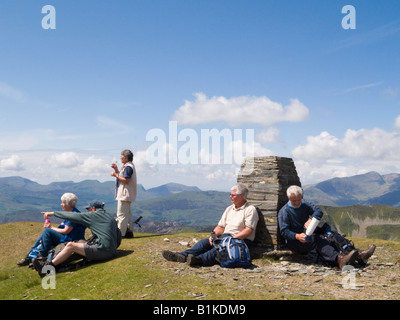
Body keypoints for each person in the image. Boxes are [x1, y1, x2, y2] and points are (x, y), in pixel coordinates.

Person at [278, 185, 376, 269]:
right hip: (295, 242)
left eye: (298, 199)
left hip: (308, 233)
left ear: (301, 197)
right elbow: (284, 231)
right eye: (293, 200)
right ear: (288, 198)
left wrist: (312, 218)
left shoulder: (304, 204)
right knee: (318, 239)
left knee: (332, 234)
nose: (296, 202)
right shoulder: (284, 212)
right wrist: (297, 236)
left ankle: (358, 255)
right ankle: (339, 260)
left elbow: (318, 211)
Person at [162, 184, 259, 267]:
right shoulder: (229, 209)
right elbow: (220, 227)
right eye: (230, 194)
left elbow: (249, 230)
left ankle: (198, 260)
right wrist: (213, 235)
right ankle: (182, 256)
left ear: (241, 196)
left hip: (240, 240)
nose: (230, 197)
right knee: (204, 243)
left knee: (220, 248)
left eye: (233, 195)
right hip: (225, 237)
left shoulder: (250, 210)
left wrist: (231, 239)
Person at [34, 200, 122, 276]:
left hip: (104, 251)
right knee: (81, 242)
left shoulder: (93, 215)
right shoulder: (110, 217)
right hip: (112, 250)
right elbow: (119, 235)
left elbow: (71, 216)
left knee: (71, 246)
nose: (88, 211)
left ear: (94, 209)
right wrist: (113, 248)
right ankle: (53, 262)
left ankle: (46, 268)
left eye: (88, 209)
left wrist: (52, 213)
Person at [17, 193, 86, 266]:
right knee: (45, 234)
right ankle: (29, 257)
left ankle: (42, 256)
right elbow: (63, 226)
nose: (61, 204)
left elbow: (66, 231)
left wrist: (51, 227)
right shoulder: (71, 213)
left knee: (47, 231)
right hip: (68, 237)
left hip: (71, 239)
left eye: (62, 202)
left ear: (67, 204)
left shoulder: (73, 215)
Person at [111, 149, 137, 238]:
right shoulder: (128, 166)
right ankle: (129, 231)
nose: (120, 158)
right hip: (127, 194)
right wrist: (116, 170)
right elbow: (124, 177)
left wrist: (116, 175)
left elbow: (126, 180)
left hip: (124, 194)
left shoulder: (128, 167)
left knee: (121, 215)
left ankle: (120, 234)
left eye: (121, 156)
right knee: (128, 214)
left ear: (125, 158)